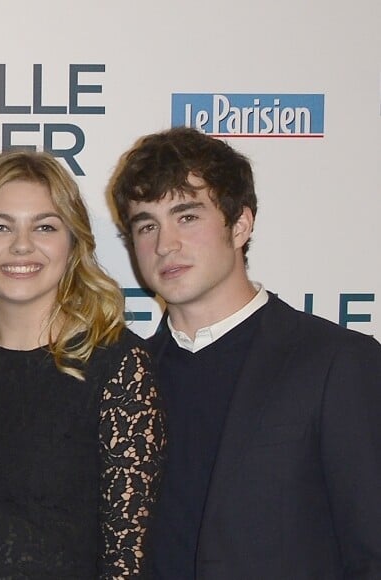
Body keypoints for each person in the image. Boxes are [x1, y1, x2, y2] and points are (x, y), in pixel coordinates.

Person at [110, 126, 381, 579]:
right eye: (147, 225)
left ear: (241, 225)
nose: (165, 244)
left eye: (187, 217)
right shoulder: (124, 374)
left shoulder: (336, 363)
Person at [0, 150, 165, 579]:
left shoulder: (118, 366)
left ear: (73, 245)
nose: (22, 245)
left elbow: (127, 558)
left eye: (45, 226)